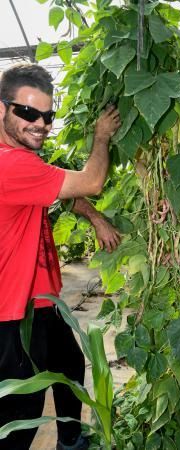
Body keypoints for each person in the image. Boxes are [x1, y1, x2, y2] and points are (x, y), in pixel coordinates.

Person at [0, 63, 121, 450]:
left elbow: (63, 190)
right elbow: (92, 181)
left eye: (47, 116)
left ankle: (70, 438)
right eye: (27, 112)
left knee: (69, 366)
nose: (41, 123)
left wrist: (97, 218)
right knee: (21, 413)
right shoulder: (11, 163)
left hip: (41, 298)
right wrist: (101, 137)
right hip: (13, 312)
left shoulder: (20, 158)